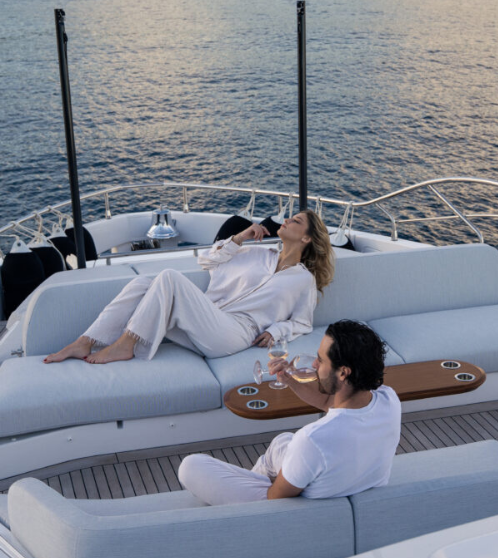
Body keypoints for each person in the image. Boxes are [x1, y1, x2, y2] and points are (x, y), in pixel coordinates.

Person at [43, 210, 335, 365]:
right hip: (205, 319)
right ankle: (86, 341)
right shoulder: (256, 253)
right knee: (142, 283)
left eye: (296, 221)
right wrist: (239, 238)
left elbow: (302, 323)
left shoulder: (303, 280)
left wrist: (276, 331)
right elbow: (207, 260)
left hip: (235, 333)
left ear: (307, 238)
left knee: (169, 277)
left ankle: (125, 345)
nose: (287, 220)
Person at [177, 320, 401, 505]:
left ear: (343, 373)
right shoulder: (388, 400)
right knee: (282, 442)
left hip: (289, 509)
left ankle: (243, 503)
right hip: (352, 480)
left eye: (321, 360)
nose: (314, 365)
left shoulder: (313, 439)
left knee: (190, 466)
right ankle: (255, 476)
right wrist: (289, 379)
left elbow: (275, 497)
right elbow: (329, 402)